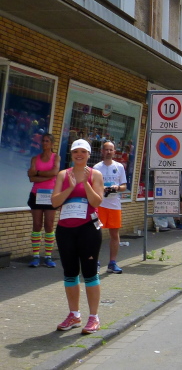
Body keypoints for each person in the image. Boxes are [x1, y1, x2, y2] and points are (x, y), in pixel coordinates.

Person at [50, 139, 105, 334]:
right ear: (71, 154)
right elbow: (54, 202)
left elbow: (96, 201)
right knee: (70, 272)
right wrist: (70, 187)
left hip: (88, 229)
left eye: (83, 151)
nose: (79, 155)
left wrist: (85, 184)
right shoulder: (63, 174)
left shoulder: (95, 174)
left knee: (90, 273)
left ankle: (94, 317)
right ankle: (74, 315)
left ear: (89, 154)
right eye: (75, 152)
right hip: (65, 229)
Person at [93, 141, 128, 274]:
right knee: (95, 235)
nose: (108, 152)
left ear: (114, 151)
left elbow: (124, 186)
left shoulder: (119, 167)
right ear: (102, 151)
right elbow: (92, 186)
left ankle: (112, 263)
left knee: (114, 234)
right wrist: (102, 188)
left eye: (110, 150)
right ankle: (95, 262)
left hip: (114, 205)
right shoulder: (97, 167)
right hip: (99, 205)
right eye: (106, 149)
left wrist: (117, 188)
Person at [27, 133, 61, 268]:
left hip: (50, 195)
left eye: (47, 141)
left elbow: (55, 172)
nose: (44, 143)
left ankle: (48, 256)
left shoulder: (56, 157)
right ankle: (36, 256)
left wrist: (38, 173)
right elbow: (31, 177)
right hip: (36, 194)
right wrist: (47, 175)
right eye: (43, 141)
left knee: (49, 225)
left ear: (52, 143)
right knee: (36, 225)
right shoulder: (35, 158)